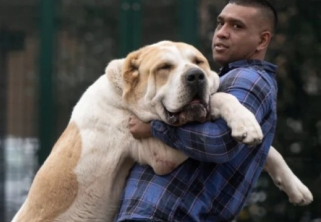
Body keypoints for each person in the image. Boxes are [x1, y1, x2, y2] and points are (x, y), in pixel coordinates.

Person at [115, 0, 279, 221]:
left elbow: (219, 141)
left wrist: (152, 128)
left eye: (236, 26)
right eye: (220, 24)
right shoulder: (225, 78)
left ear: (262, 40)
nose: (222, 33)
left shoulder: (247, 78)